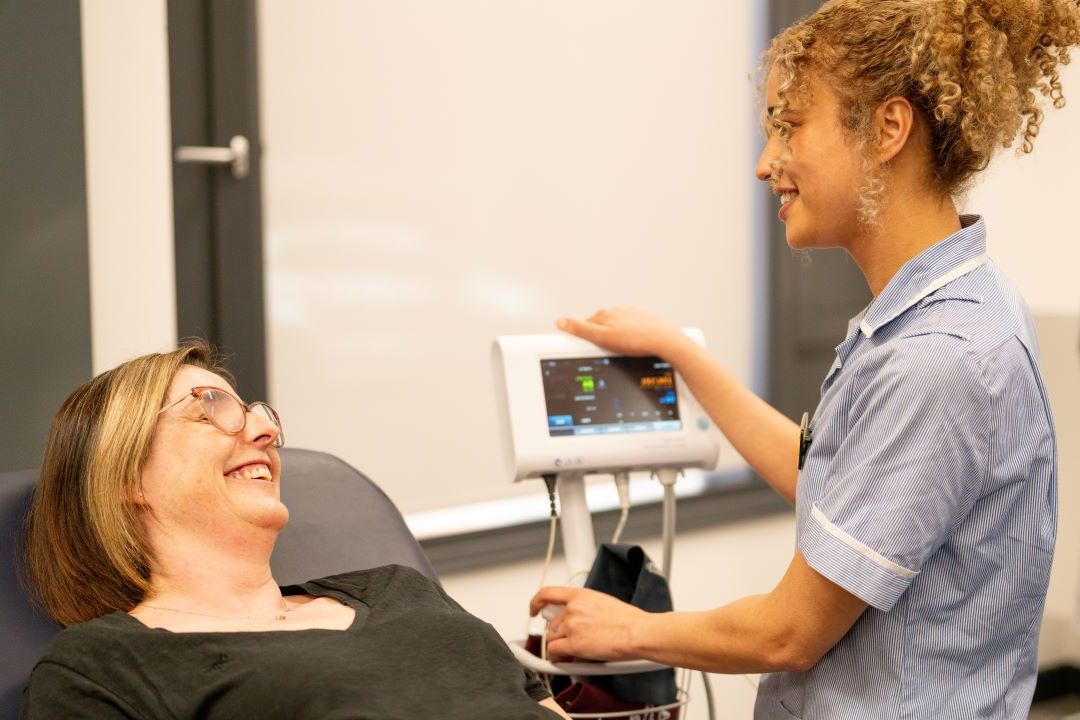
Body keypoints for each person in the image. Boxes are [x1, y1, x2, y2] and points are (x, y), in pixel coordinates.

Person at [530, 0, 1077, 717]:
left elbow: (790, 633)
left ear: (887, 128)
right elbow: (841, 485)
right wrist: (682, 358)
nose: (765, 165)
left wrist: (627, 629)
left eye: (788, 126)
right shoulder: (967, 303)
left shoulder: (937, 360)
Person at [21, 340, 570, 720]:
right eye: (210, 408)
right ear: (125, 475)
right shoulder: (101, 667)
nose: (265, 430)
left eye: (257, 413)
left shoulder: (397, 588)